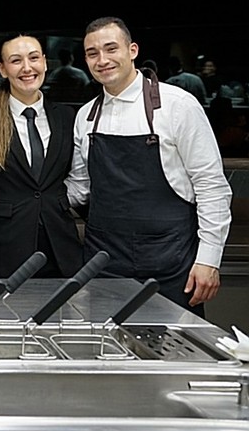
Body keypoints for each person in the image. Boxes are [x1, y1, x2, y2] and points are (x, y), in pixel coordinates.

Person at [66, 17, 232, 316]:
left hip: (171, 261)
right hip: (104, 263)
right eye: (92, 53)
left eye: (111, 49)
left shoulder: (178, 105)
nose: (102, 60)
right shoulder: (86, 116)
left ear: (132, 50)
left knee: (175, 344)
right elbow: (80, 189)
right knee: (106, 343)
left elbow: (212, 187)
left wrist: (208, 259)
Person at [0, 35, 82, 278]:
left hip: (60, 248)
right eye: (16, 61)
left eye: (34, 58)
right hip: (3, 248)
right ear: (2, 69)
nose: (27, 68)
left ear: (45, 63)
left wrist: (59, 201)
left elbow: (75, 176)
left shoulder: (67, 117)